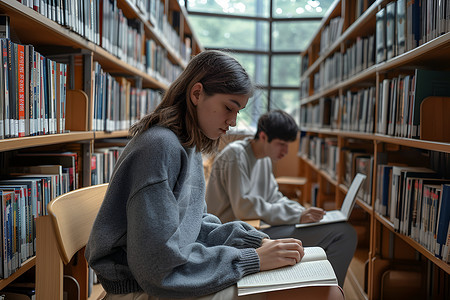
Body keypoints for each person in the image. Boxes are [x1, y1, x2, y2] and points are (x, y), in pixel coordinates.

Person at [85, 50, 344, 300]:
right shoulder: (159, 148)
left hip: (177, 274)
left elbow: (195, 223)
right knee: (327, 294)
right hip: (146, 287)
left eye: (238, 112)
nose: (233, 121)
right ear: (197, 93)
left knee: (323, 284)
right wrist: (252, 259)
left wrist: (254, 242)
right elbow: (158, 269)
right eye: (228, 107)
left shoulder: (188, 145)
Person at [206, 110, 357, 288]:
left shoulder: (264, 159)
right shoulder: (235, 155)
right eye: (281, 144)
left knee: (336, 228)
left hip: (256, 228)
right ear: (263, 136)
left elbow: (274, 197)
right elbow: (244, 208)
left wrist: (301, 211)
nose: (286, 151)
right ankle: (330, 293)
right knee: (344, 234)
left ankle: (324, 289)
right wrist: (297, 216)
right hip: (237, 236)